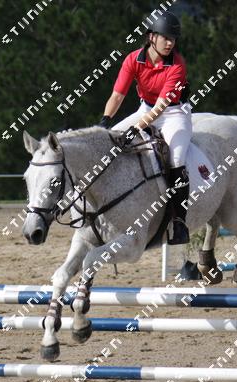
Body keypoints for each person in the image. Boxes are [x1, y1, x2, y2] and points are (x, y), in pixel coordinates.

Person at [98, 11, 191, 244]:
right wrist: (105, 121)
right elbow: (117, 96)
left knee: (176, 159)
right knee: (110, 141)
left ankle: (180, 223)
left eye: (173, 39)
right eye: (166, 38)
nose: (170, 43)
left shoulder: (177, 64)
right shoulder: (133, 59)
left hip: (173, 114)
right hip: (145, 109)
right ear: (151, 37)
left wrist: (136, 128)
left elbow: (160, 108)